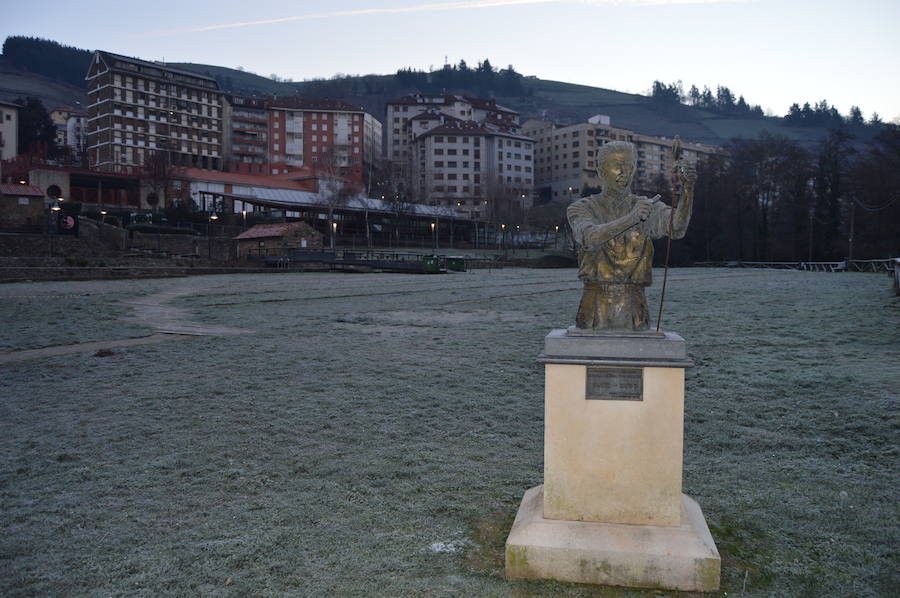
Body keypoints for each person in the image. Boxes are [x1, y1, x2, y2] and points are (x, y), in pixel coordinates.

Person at [566, 140, 696, 331]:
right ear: (601, 170)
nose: (624, 172)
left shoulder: (647, 206)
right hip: (595, 303)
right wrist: (632, 218)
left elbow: (677, 228)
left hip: (635, 304)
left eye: (629, 165)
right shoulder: (582, 208)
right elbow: (588, 237)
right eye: (617, 166)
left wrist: (688, 192)